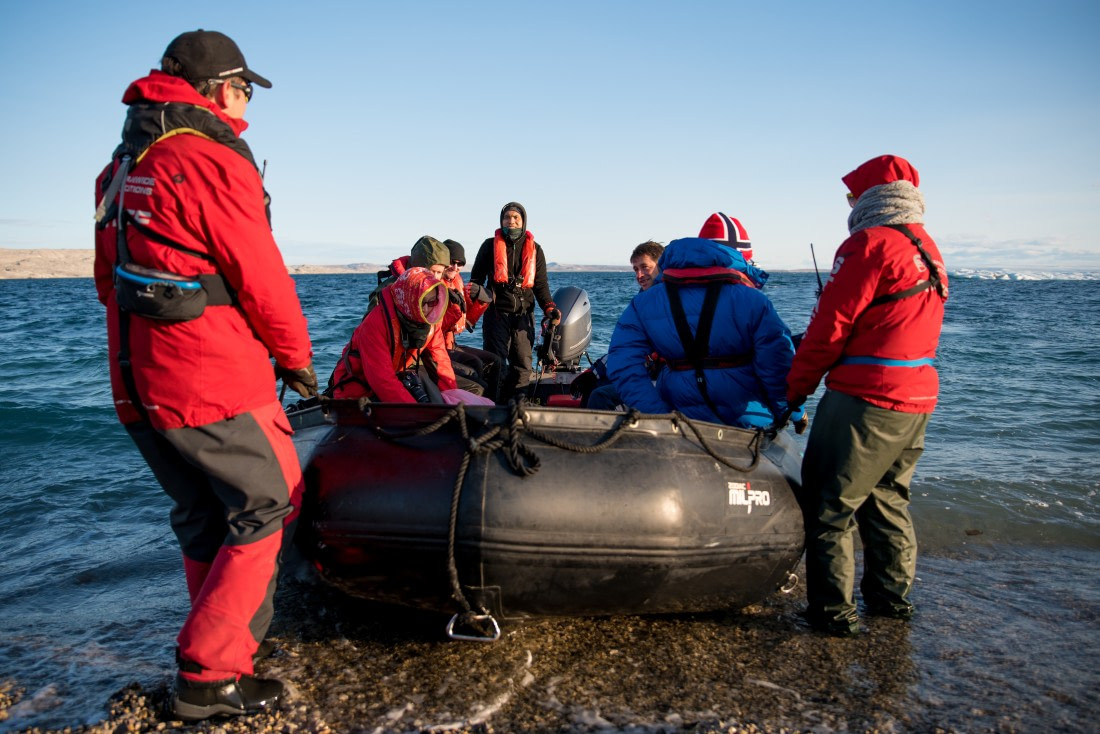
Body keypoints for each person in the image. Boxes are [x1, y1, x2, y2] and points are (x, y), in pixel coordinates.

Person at [92, 30, 316, 720]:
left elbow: (108, 279)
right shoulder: (210, 158)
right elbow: (260, 273)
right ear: (219, 87)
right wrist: (298, 359)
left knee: (200, 514)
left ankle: (215, 652)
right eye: (244, 88)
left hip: (135, 376)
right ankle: (209, 673)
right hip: (206, 376)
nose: (246, 102)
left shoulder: (122, 165)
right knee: (269, 501)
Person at [787, 154, 948, 637]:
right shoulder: (927, 247)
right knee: (889, 499)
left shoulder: (868, 245)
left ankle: (833, 615)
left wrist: (794, 392)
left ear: (869, 198)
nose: (849, 203)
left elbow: (828, 330)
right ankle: (891, 602)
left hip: (866, 398)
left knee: (829, 510)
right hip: (917, 396)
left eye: (851, 195)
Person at [606, 233, 799, 429]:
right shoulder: (753, 300)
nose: (639, 275)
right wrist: (788, 412)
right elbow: (778, 364)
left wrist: (659, 415)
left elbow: (622, 365)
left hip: (679, 420)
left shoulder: (642, 304)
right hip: (747, 423)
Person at [331, 267, 488, 404]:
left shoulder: (431, 320)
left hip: (397, 376)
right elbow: (382, 381)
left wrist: (452, 396)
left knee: (466, 393)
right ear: (409, 298)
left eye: (433, 302)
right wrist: (415, 412)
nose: (428, 308)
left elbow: (440, 362)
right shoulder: (374, 325)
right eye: (423, 301)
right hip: (357, 392)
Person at [469, 202, 558, 401]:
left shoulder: (536, 249)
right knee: (495, 362)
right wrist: (473, 303)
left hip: (523, 316)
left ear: (523, 221)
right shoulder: (488, 246)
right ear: (501, 221)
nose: (511, 221)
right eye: (507, 217)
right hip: (496, 314)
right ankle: (494, 405)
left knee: (523, 363)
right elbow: (476, 281)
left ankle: (519, 403)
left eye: (516, 217)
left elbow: (541, 286)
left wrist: (549, 307)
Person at [584, 241, 665, 410]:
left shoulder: (666, 301)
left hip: (666, 378)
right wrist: (596, 371)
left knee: (601, 397)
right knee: (595, 385)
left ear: (661, 265)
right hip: (649, 372)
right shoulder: (644, 300)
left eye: (645, 267)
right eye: (636, 269)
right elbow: (627, 346)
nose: (639, 275)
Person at [439, 239, 500, 399]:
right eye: (452, 262)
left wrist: (483, 300)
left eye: (460, 264)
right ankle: (478, 411)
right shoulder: (435, 285)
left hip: (451, 344)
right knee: (475, 366)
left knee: (495, 362)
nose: (456, 267)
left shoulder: (456, 282)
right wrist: (455, 310)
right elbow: (437, 325)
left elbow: (466, 322)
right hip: (438, 348)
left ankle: (495, 407)